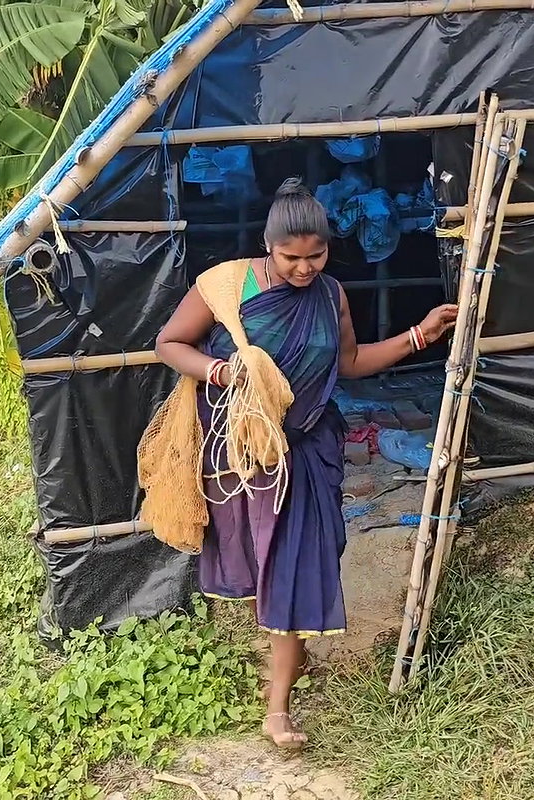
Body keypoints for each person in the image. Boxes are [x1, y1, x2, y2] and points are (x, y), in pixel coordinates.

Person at [154, 178, 458, 748]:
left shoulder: (331, 293)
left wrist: (420, 335)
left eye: (315, 256)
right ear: (267, 247)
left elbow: (351, 362)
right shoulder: (226, 285)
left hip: (309, 448)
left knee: (294, 562)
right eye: (290, 258)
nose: (304, 269)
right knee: (266, 560)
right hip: (244, 449)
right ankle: (284, 668)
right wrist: (223, 372)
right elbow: (169, 344)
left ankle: (278, 699)